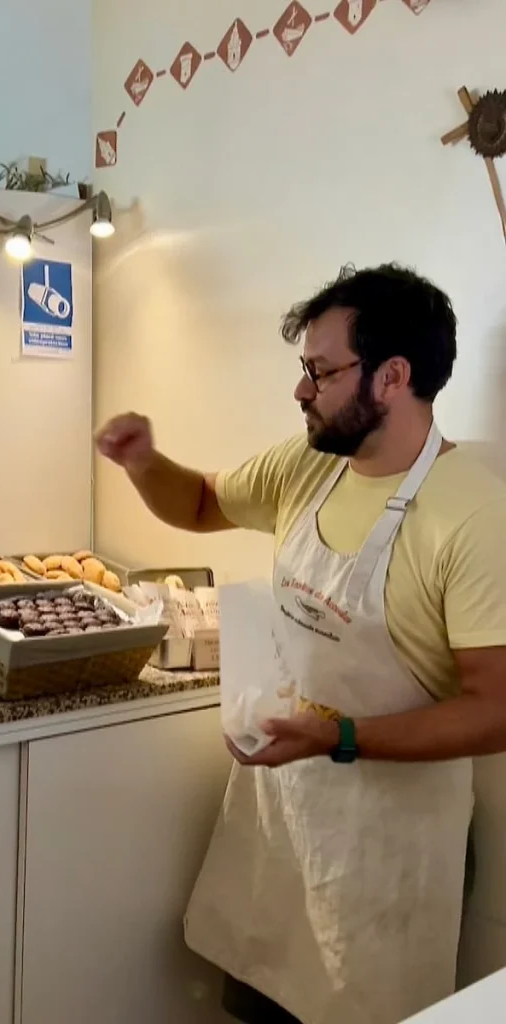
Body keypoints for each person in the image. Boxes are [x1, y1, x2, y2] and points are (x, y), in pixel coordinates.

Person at [95, 264, 506, 1024]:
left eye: (320, 371)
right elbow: (199, 501)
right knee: (259, 999)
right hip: (286, 811)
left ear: (392, 375)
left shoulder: (474, 515)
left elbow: (495, 710)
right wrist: (144, 463)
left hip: (389, 849)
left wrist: (342, 735)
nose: (301, 391)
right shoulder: (308, 467)